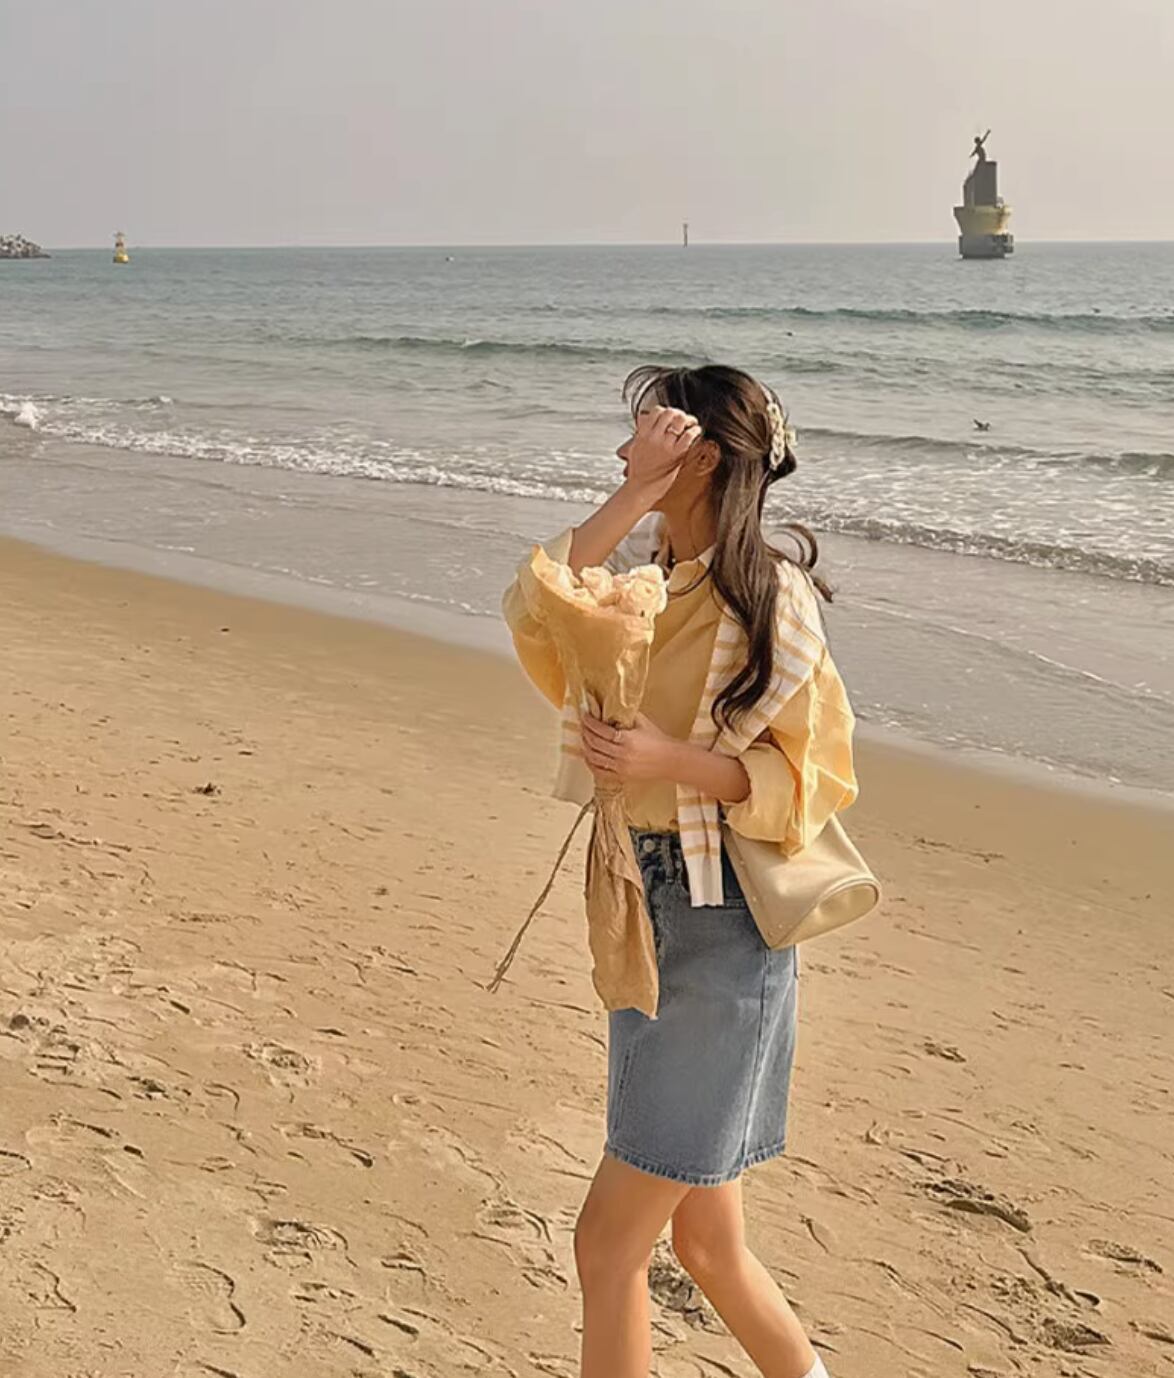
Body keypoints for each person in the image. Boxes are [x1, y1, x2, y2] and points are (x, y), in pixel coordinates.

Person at [503, 364, 858, 1378]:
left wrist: (670, 760)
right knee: (705, 1242)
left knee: (607, 1244)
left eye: (650, 435)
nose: (626, 449)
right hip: (643, 905)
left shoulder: (771, 598)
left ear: (701, 457)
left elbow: (814, 779)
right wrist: (633, 494)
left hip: (721, 931)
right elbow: (532, 604)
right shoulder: (640, 583)